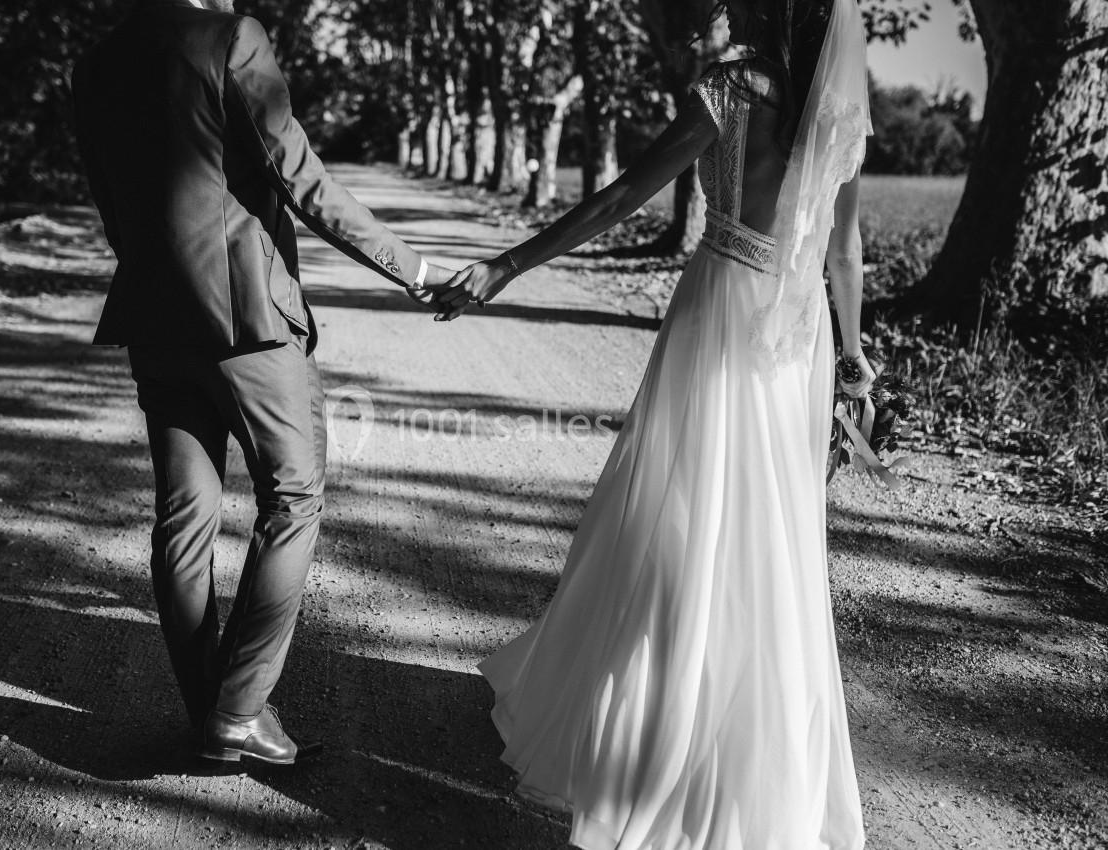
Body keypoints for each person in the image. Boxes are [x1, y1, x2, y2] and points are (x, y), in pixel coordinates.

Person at [436, 0, 874, 846]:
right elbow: (843, 251)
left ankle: (649, 744)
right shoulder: (841, 113)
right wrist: (854, 360)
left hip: (718, 313)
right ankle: (750, 764)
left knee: (678, 521)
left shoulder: (729, 90)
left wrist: (508, 264)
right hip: (796, 337)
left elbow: (619, 200)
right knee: (765, 539)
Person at [71, 0, 451, 766]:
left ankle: (208, 709)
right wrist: (413, 269)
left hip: (155, 315)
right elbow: (299, 175)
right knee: (294, 494)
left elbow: (112, 199)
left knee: (183, 516)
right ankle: (239, 710)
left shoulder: (97, 60)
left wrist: (158, 273)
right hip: (250, 321)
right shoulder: (232, 38)